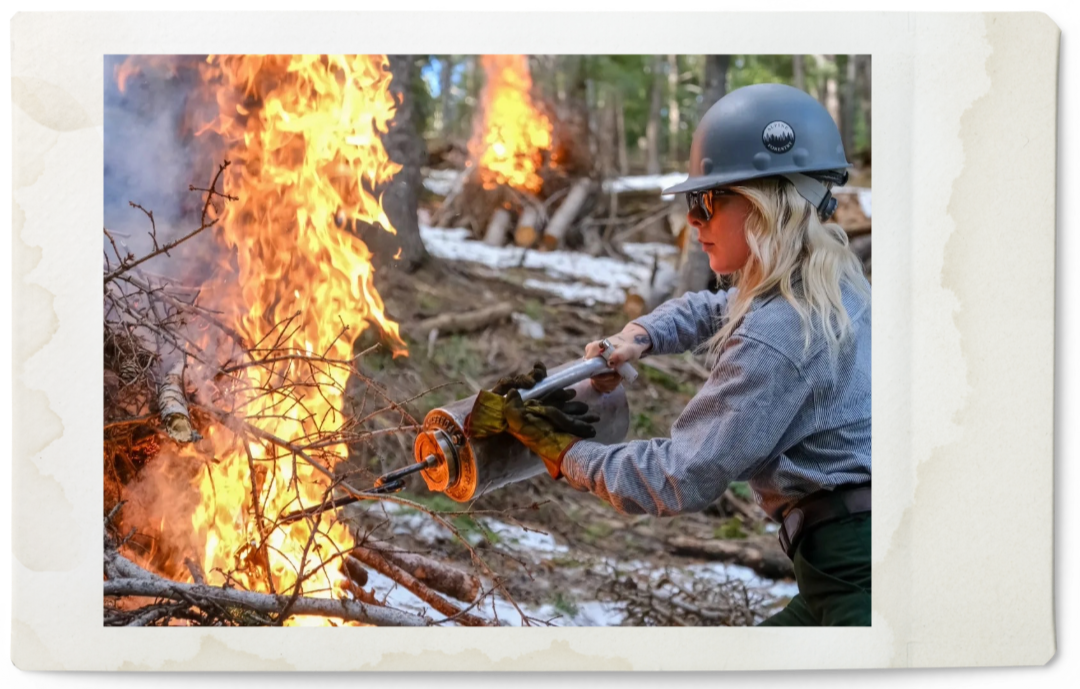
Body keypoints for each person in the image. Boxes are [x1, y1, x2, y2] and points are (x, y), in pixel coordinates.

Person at [466, 82, 871, 626]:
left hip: (856, 571)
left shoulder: (778, 333)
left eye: (704, 202)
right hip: (853, 558)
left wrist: (564, 452)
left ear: (765, 206)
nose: (693, 222)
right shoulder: (826, 281)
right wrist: (640, 335)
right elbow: (713, 308)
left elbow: (680, 475)